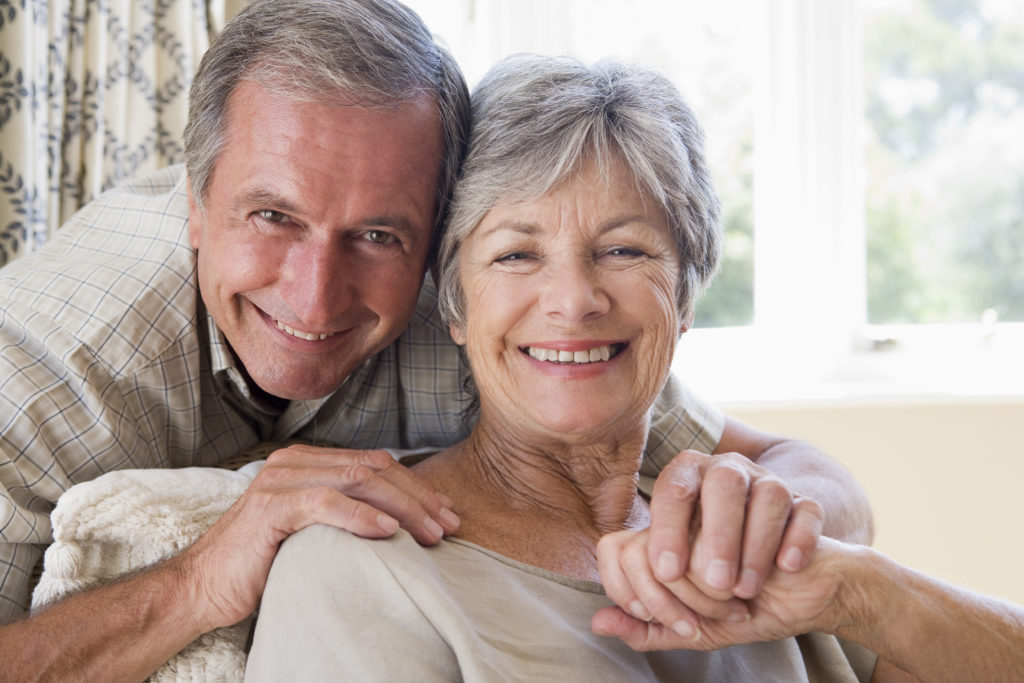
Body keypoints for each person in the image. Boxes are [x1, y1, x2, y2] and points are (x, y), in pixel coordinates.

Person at [0, 0, 870, 679]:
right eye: (273, 216)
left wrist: (768, 529)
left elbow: (800, 470)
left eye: (379, 234)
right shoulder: (50, 374)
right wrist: (200, 579)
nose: (315, 294)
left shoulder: (488, 308)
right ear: (193, 203)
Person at [244, 54, 1024, 682]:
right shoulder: (361, 566)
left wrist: (862, 590)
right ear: (455, 306)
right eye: (517, 254)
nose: (575, 299)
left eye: (624, 249)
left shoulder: (747, 542)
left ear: (684, 298)